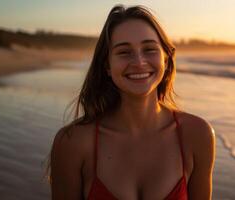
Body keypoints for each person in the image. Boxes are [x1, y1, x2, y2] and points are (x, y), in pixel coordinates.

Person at [49, 4, 215, 200]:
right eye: (124, 52)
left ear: (166, 59)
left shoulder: (196, 134)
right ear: (107, 66)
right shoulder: (73, 142)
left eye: (149, 49)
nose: (138, 62)